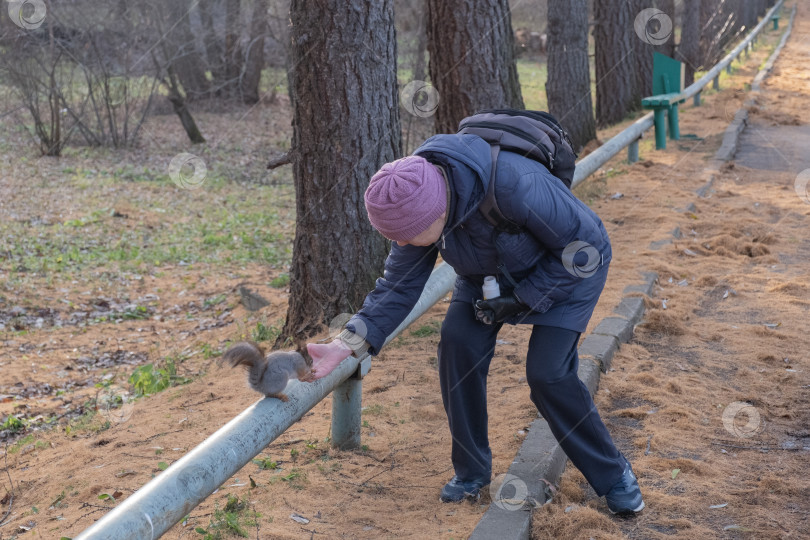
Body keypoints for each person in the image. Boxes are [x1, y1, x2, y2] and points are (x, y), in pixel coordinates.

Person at [306, 132, 644, 514]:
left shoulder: (515, 185)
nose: (407, 244)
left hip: (568, 269)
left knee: (548, 375)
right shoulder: (417, 206)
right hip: (487, 273)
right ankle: (471, 473)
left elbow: (587, 250)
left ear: (438, 210)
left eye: (411, 236)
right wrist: (347, 344)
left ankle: (614, 475)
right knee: (457, 345)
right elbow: (397, 286)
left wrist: (520, 299)